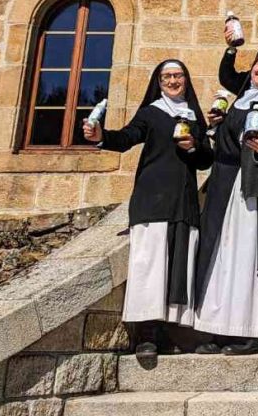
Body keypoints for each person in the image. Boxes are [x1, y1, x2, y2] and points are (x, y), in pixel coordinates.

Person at [82, 60, 212, 360]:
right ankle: (147, 335)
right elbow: (126, 138)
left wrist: (193, 146)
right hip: (152, 198)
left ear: (186, 79)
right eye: (166, 76)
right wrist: (100, 136)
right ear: (158, 81)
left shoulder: (193, 115)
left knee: (180, 266)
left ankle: (175, 331)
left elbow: (206, 158)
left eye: (178, 75)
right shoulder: (151, 112)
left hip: (183, 201)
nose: (172, 80)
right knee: (150, 266)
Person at [192, 49, 258, 355]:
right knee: (221, 255)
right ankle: (216, 327)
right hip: (226, 186)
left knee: (249, 256)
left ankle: (250, 329)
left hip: (256, 187)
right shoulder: (240, 100)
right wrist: (216, 128)